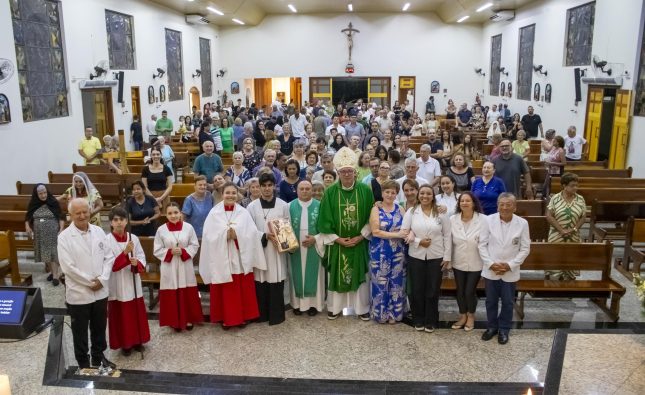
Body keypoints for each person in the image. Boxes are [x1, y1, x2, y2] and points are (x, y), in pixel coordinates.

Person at [317, 147, 374, 320]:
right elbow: (324, 220)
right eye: (343, 172)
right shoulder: (330, 192)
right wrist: (338, 239)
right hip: (338, 244)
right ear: (338, 173)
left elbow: (372, 217)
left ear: (355, 172)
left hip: (359, 242)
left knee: (360, 275)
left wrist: (361, 236)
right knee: (337, 274)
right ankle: (335, 308)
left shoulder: (365, 190)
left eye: (350, 171)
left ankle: (361, 308)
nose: (347, 174)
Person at [57, 198, 116, 370]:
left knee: (99, 327)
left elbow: (109, 257)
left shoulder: (98, 231)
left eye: (85, 211)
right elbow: (68, 267)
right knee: (80, 331)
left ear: (90, 211)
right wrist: (90, 283)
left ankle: (98, 358)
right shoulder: (64, 237)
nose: (82, 216)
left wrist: (102, 279)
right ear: (70, 215)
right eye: (78, 213)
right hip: (79, 292)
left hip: (100, 290)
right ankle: (83, 362)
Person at [199, 182, 266, 328]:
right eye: (227, 193)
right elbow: (208, 236)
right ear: (222, 194)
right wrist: (224, 235)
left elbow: (252, 233)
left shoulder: (243, 212)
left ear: (238, 195)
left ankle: (242, 317)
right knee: (226, 288)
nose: (230, 195)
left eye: (233, 193)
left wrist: (238, 234)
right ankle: (225, 318)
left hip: (239, 256)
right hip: (221, 257)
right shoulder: (214, 213)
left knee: (240, 287)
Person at [478, 193, 530, 345]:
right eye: (502, 204)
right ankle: (492, 327)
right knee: (491, 301)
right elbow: (482, 245)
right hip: (491, 269)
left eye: (509, 204)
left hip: (510, 270)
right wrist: (491, 264)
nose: (505, 207)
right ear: (497, 205)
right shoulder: (488, 220)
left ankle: (504, 329)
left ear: (515, 206)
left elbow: (525, 248)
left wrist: (510, 265)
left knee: (508, 302)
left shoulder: (522, 223)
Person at [401, 184, 451, 332]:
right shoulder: (412, 211)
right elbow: (404, 232)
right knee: (417, 289)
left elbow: (447, 235)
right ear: (418, 195)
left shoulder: (441, 213)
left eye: (428, 193)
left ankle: (431, 320)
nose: (425, 196)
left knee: (432, 289)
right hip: (416, 255)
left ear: (433, 196)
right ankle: (418, 319)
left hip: (437, 255)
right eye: (422, 193)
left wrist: (447, 257)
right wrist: (418, 241)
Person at [105, 207, 150, 356]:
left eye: (122, 219)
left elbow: (142, 257)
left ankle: (138, 341)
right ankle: (125, 343)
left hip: (132, 280)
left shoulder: (133, 238)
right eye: (115, 220)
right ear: (111, 222)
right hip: (117, 283)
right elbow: (111, 265)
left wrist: (136, 262)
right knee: (122, 315)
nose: (119, 223)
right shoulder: (107, 240)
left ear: (126, 221)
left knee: (135, 312)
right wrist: (125, 253)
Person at [153, 202, 204, 332]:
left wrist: (184, 252)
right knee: (171, 290)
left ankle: (188, 318)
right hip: (169, 266)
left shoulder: (188, 227)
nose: (173, 215)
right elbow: (157, 249)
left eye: (176, 212)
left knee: (186, 290)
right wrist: (169, 252)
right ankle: (174, 320)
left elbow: (194, 245)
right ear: (166, 215)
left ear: (180, 213)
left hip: (184, 264)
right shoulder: (161, 230)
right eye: (170, 213)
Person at [247, 173, 289, 325]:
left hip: (276, 251)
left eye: (269, 185)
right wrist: (264, 235)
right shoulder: (251, 207)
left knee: (276, 279)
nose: (266, 189)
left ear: (274, 186)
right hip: (261, 248)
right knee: (261, 280)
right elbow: (249, 229)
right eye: (263, 186)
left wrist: (281, 238)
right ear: (259, 187)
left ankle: (276, 315)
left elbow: (287, 226)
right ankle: (262, 314)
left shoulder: (283, 205)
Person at [368, 180, 407, 323]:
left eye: (393, 192)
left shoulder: (400, 209)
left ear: (397, 194)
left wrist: (401, 233)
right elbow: (376, 231)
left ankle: (394, 314)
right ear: (382, 193)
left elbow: (406, 228)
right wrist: (396, 235)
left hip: (398, 252)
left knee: (396, 283)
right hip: (380, 252)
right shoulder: (376, 209)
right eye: (387, 192)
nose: (390, 195)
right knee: (380, 282)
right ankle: (380, 314)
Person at [450, 192, 486, 332]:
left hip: (476, 261)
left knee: (469, 291)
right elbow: (448, 240)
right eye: (462, 201)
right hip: (458, 260)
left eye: (468, 201)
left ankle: (471, 316)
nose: (464, 203)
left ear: (473, 203)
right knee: (460, 291)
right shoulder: (453, 219)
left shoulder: (483, 219)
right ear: (459, 204)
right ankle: (462, 315)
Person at [288, 181, 325, 316]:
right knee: (295, 275)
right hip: (296, 247)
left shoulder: (320, 206)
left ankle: (314, 305)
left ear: (311, 190)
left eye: (307, 189)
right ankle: (297, 304)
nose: (304, 191)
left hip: (314, 246)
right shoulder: (289, 206)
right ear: (297, 190)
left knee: (314, 275)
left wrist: (315, 238)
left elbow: (326, 229)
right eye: (301, 189)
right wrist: (290, 243)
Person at [545, 173, 586, 280]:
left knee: (571, 258)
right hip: (556, 234)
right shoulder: (555, 198)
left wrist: (574, 229)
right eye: (572, 185)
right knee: (555, 257)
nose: (575, 188)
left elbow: (583, 217)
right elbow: (548, 215)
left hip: (574, 235)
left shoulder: (580, 199)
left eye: (577, 185)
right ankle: (554, 282)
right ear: (564, 186)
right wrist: (561, 230)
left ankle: (569, 285)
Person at [25, 184, 64, 286]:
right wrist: (27, 226)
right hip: (39, 233)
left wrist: (61, 229)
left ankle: (56, 275)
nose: (43, 195)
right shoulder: (33, 204)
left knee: (52, 252)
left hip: (52, 231)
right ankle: (52, 272)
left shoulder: (53, 202)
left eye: (44, 192)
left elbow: (61, 216)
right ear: (36, 194)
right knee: (44, 253)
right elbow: (28, 216)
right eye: (40, 193)